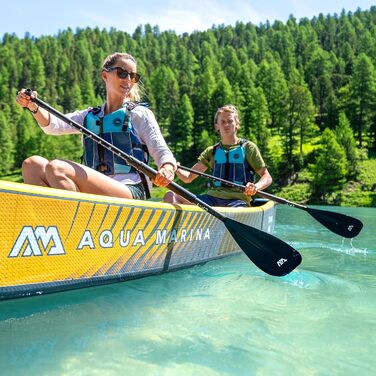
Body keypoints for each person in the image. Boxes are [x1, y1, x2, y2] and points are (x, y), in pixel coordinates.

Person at [16, 52, 176, 200]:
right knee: (32, 165)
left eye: (133, 76)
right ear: (105, 75)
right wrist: (33, 106)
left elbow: (162, 152)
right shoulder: (89, 116)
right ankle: (51, 223)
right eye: (122, 73)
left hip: (130, 189)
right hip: (94, 188)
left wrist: (167, 168)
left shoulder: (139, 114)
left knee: (57, 168)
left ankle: (74, 223)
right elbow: (53, 125)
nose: (128, 80)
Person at [163, 104, 272, 207]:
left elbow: (267, 177)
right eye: (222, 122)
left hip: (237, 201)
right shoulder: (212, 151)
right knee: (169, 195)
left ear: (237, 124)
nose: (226, 125)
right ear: (217, 126)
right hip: (211, 199)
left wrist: (256, 187)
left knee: (235, 211)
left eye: (230, 121)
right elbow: (188, 178)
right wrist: (175, 167)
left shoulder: (248, 148)